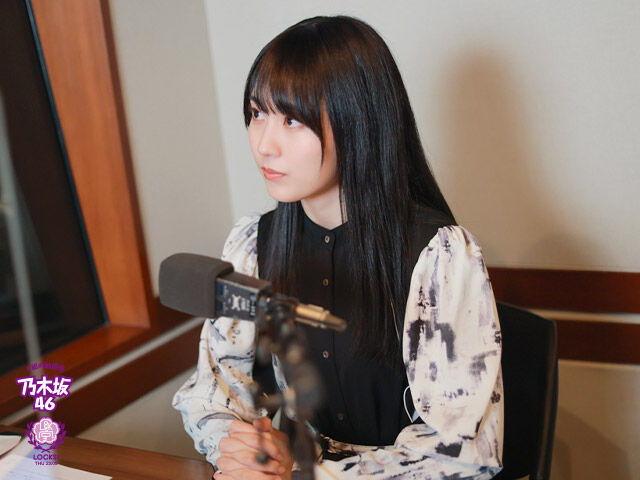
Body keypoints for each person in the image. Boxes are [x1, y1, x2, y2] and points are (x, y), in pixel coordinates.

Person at [173, 15, 503, 480]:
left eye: (292, 120)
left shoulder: (439, 257)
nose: (264, 144)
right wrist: (244, 448)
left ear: (358, 122)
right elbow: (216, 391)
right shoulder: (254, 245)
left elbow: (462, 454)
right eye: (257, 113)